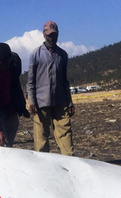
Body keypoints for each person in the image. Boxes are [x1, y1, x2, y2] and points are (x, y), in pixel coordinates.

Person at [27, 21, 75, 156]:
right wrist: (31, 101)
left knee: (66, 137)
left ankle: (70, 168)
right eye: (49, 35)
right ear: (44, 35)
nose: (51, 38)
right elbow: (30, 82)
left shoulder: (63, 55)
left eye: (54, 35)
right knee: (41, 142)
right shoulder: (35, 54)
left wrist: (70, 102)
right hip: (41, 103)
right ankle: (43, 171)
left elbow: (65, 80)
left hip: (60, 102)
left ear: (58, 35)